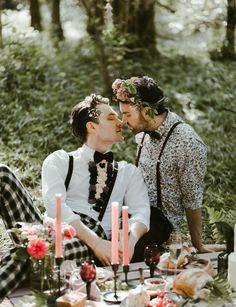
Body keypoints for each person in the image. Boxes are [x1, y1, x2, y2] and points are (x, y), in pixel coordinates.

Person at [112, 76, 218, 254]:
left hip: (159, 219)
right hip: (133, 205)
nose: (123, 121)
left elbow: (192, 199)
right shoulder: (143, 131)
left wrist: (198, 245)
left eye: (127, 114)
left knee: (127, 251)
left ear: (146, 112)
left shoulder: (188, 143)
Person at [42, 93, 150, 266]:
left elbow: (141, 212)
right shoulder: (59, 161)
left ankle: (30, 253)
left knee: (38, 250)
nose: (121, 122)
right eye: (111, 118)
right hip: (55, 230)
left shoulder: (128, 172)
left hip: (82, 245)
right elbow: (55, 207)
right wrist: (95, 242)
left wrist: (130, 240)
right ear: (92, 126)